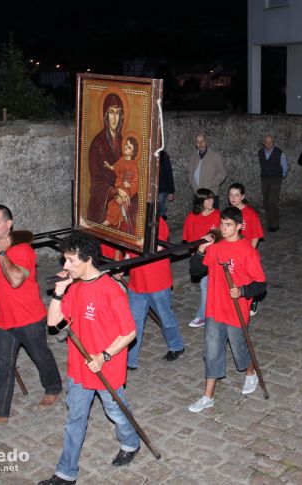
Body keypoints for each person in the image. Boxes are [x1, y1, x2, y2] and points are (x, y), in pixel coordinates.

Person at [40, 233, 140, 485]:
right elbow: (53, 323)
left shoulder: (111, 290)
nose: (65, 266)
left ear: (88, 260)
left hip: (107, 366)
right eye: (65, 260)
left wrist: (104, 355)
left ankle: (130, 442)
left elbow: (129, 332)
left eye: (71, 261)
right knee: (75, 418)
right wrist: (59, 293)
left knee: (116, 411)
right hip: (79, 366)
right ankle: (66, 473)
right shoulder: (74, 287)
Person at [0, 205, 62, 425]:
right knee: (2, 365)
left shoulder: (22, 250)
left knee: (41, 356)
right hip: (2, 319)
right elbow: (0, 278)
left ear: (8, 224)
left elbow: (15, 279)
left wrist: (2, 253)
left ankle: (53, 387)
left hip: (28, 318)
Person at [187, 207, 267, 412]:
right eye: (222, 224)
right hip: (214, 309)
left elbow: (261, 285)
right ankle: (208, 396)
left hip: (235, 311)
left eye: (228, 225)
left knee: (240, 348)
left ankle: (251, 373)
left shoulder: (247, 250)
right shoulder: (216, 248)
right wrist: (200, 251)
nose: (224, 228)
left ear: (239, 226)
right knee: (211, 351)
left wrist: (242, 291)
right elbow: (196, 271)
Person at [124, 217, 185, 369]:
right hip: (136, 281)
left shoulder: (157, 222)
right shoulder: (130, 221)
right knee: (134, 322)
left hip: (156, 281)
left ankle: (176, 345)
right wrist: (122, 266)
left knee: (165, 317)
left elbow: (157, 248)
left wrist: (134, 242)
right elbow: (127, 251)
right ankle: (130, 360)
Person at [182, 188, 221, 329]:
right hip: (201, 257)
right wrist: (195, 255)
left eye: (212, 198)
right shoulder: (192, 217)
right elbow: (189, 238)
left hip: (215, 257)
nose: (212, 201)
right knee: (206, 285)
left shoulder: (217, 215)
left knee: (206, 285)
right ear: (200, 201)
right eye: (208, 199)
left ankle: (202, 315)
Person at [228, 183, 265, 316]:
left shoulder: (250, 213)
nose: (233, 198)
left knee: (249, 279)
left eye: (236, 195)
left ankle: (253, 300)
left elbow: (255, 236)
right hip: (232, 252)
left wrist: (248, 253)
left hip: (246, 253)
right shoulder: (229, 212)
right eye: (231, 195)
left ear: (243, 196)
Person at [87, 93, 123, 223]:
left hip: (121, 202)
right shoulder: (97, 144)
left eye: (118, 113)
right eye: (111, 112)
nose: (115, 117)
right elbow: (96, 182)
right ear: (106, 115)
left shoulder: (124, 143)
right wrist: (114, 191)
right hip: (102, 204)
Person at [104, 136, 139, 232]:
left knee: (119, 202)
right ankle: (112, 219)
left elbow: (136, 182)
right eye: (126, 145)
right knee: (112, 203)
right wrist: (109, 166)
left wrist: (129, 185)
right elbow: (116, 168)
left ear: (132, 152)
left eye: (129, 147)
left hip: (127, 189)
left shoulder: (134, 165)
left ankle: (116, 219)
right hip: (119, 186)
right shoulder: (121, 160)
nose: (126, 148)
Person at [258, 132, 288, 232]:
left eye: (270, 142)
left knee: (272, 202)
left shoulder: (280, 153)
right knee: (266, 202)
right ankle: (269, 222)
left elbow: (285, 167)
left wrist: (280, 177)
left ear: (273, 142)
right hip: (265, 179)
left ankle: (275, 225)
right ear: (264, 143)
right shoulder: (260, 153)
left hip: (276, 180)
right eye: (266, 142)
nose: (269, 144)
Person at [187, 133, 227, 209]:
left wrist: (212, 183)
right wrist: (192, 184)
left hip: (211, 193)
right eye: (198, 142)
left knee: (212, 218)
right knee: (198, 217)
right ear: (195, 144)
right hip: (197, 194)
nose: (201, 144)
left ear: (206, 142)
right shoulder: (193, 156)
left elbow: (222, 172)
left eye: (203, 141)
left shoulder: (215, 156)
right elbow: (189, 171)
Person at [157, 150, 175, 220]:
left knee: (160, 205)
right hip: (152, 188)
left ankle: (161, 226)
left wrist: (171, 191)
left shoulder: (164, 156)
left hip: (163, 187)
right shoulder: (148, 154)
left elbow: (169, 172)